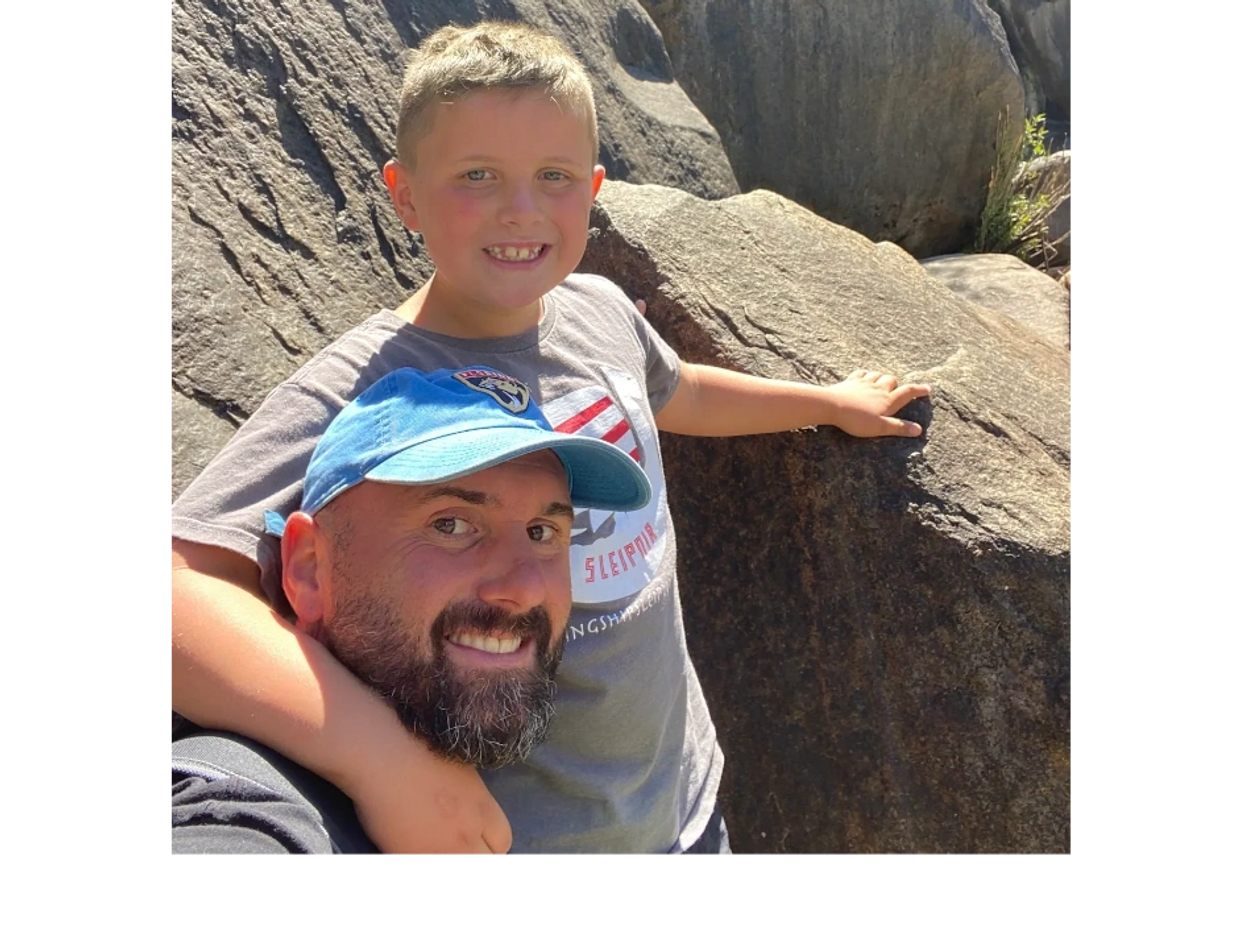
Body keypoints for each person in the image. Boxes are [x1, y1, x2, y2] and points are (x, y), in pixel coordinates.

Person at [168, 21, 931, 856]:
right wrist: (381, 762)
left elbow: (678, 392)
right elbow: (182, 588)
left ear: (594, 189)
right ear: (405, 194)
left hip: (681, 805)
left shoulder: (600, 309)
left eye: (554, 177)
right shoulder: (361, 384)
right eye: (478, 176)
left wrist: (823, 401)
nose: (520, 210)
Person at [170, 366, 651, 856]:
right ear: (310, 567)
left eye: (541, 533)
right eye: (451, 525)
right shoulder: (238, 813)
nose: (525, 588)